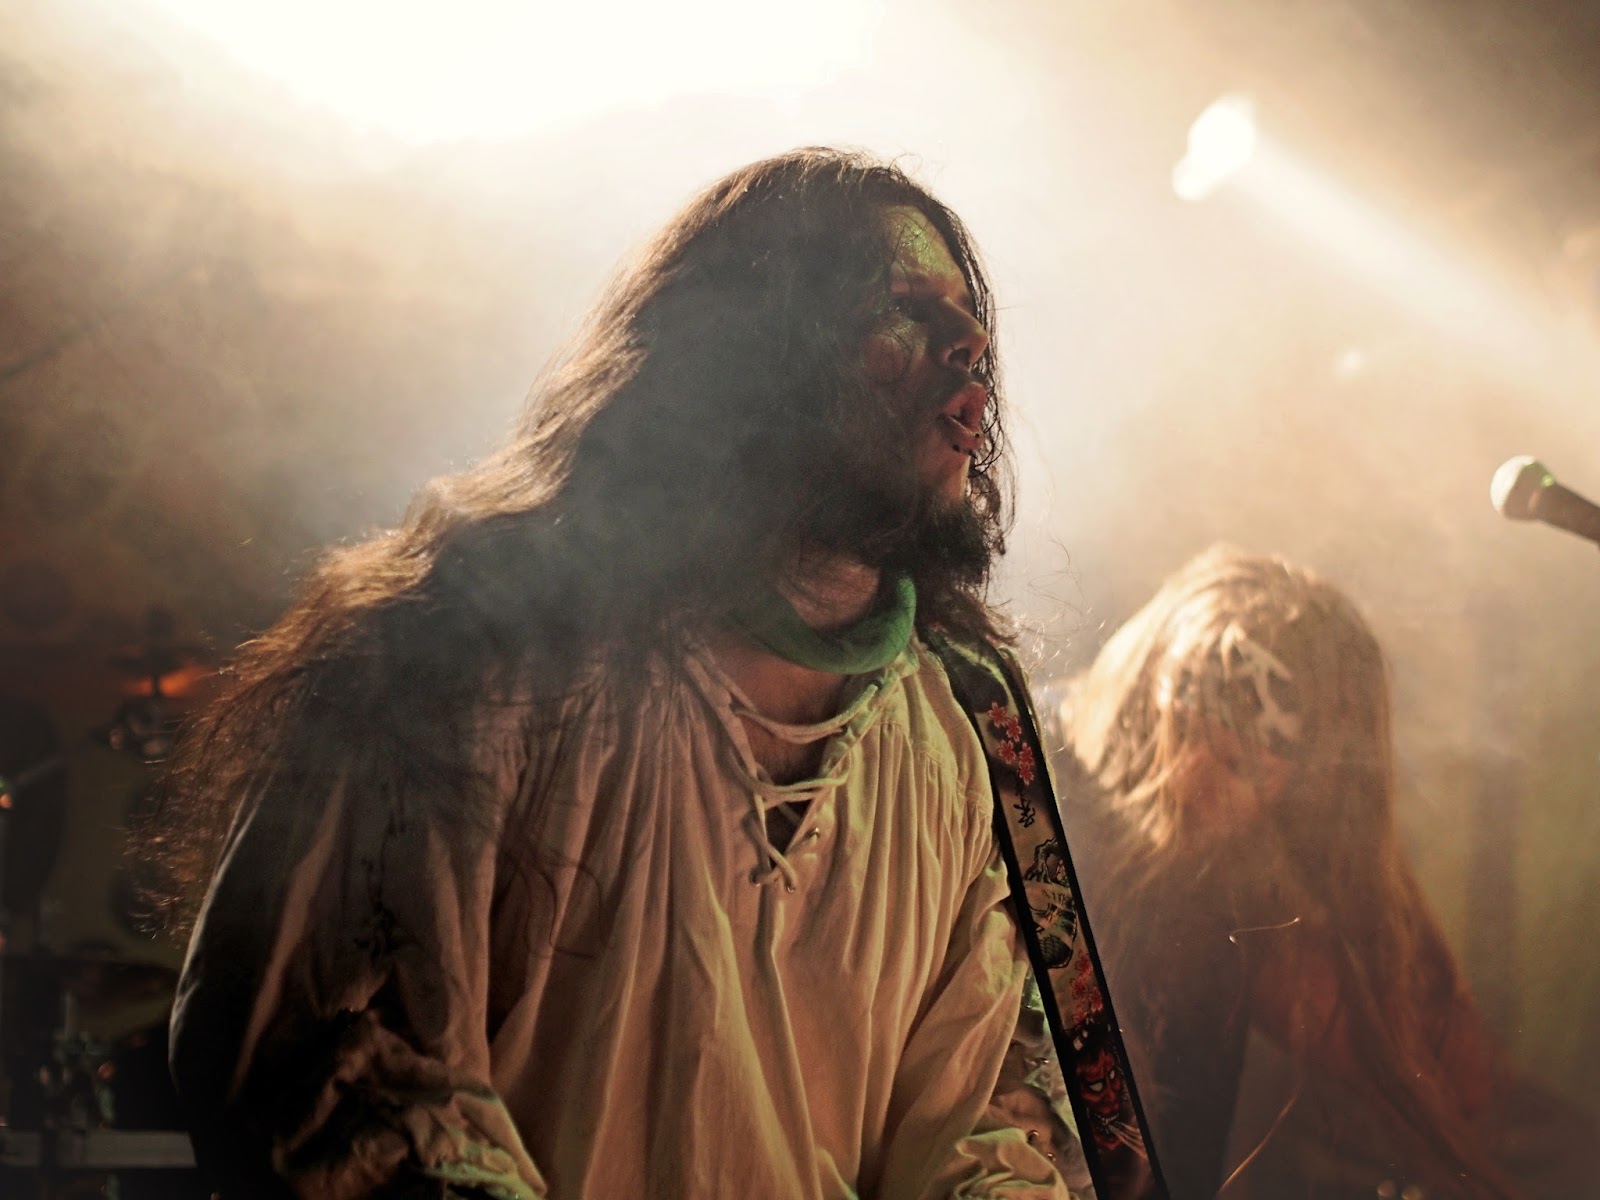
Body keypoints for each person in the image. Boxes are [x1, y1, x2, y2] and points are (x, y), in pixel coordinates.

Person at [153, 148, 1085, 1199]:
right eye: (904, 307)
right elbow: (316, 1065)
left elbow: (983, 1123)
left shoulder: (958, 734)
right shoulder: (473, 649)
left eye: (968, 316)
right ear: (749, 352)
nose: (970, 344)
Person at [1045, 545, 1540, 1200]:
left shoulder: (1243, 886)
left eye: (1241, 765)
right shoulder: (1028, 774)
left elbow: (1458, 1080)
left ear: (1290, 790)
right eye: (1183, 730)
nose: (1193, 777)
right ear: (1146, 701)